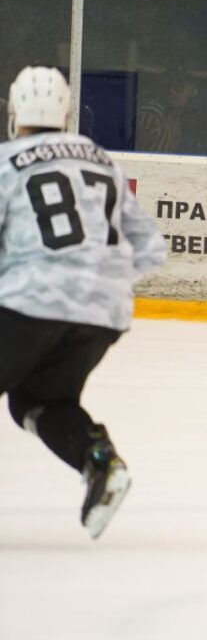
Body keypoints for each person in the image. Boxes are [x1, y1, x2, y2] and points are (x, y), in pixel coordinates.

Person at [0, 66, 166, 538]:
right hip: (104, 312)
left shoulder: (7, 161)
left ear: (14, 113)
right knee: (37, 400)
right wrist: (96, 281)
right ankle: (100, 463)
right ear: (67, 113)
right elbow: (150, 248)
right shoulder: (100, 160)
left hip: (29, 302)